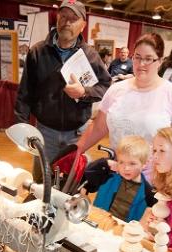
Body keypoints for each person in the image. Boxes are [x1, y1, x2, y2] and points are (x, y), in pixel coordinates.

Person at [76, 33, 172, 180]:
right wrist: (74, 153)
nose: (141, 64)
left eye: (148, 59)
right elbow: (98, 127)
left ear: (160, 61)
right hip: (117, 173)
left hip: (154, 181)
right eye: (137, 57)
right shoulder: (116, 90)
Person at [15, 0, 111, 181]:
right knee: (41, 182)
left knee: (71, 183)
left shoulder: (90, 56)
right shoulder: (37, 52)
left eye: (73, 19)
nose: (67, 22)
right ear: (57, 18)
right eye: (63, 16)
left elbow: (105, 86)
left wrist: (84, 92)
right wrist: (22, 126)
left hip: (77, 134)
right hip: (45, 132)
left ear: (83, 25)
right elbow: (25, 92)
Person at [90, 135, 156, 222]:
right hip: (99, 223)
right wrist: (105, 162)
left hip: (124, 232)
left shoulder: (148, 193)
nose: (126, 168)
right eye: (121, 162)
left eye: (132, 163)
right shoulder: (109, 177)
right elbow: (89, 173)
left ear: (145, 164)